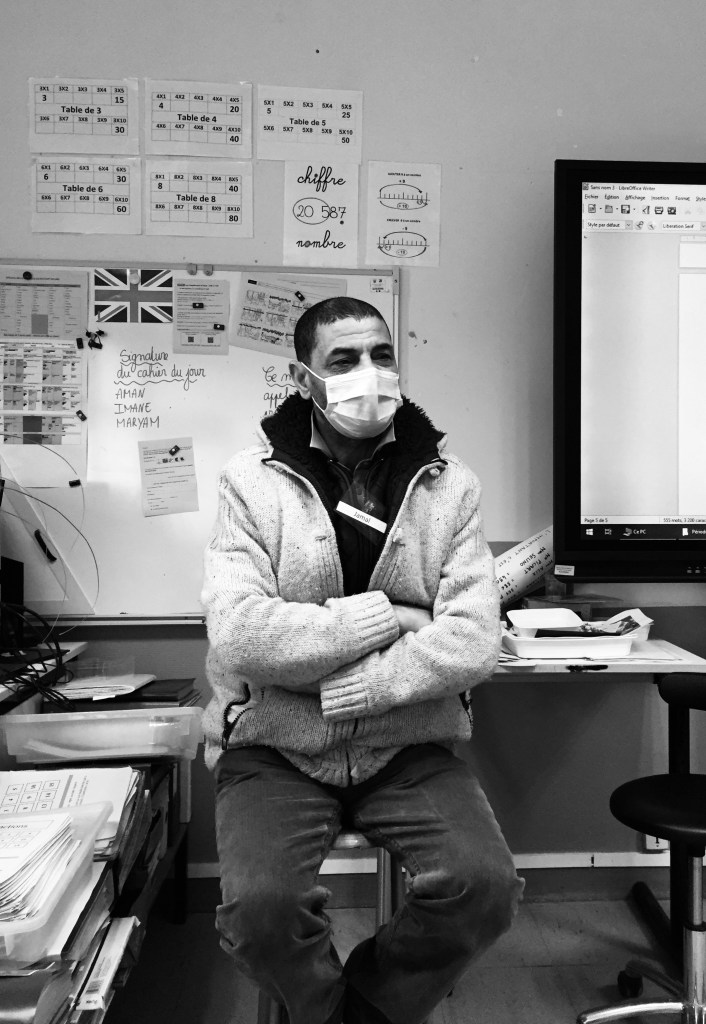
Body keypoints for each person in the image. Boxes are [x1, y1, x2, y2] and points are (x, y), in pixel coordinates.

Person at [201, 296, 524, 1024]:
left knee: (484, 889)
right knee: (260, 914)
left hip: (408, 744)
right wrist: (393, 618)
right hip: (274, 747)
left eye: (381, 355)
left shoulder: (450, 484)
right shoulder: (249, 481)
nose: (368, 373)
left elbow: (473, 641)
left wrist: (348, 687)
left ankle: (367, 1007)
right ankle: (328, 1011)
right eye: (343, 360)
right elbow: (243, 634)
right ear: (304, 378)